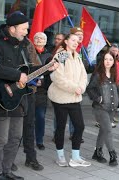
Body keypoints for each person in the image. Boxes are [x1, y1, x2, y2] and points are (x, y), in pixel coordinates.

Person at [0, 11, 58, 179]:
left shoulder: (23, 46)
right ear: (12, 28)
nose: (27, 32)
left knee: (15, 138)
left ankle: (6, 171)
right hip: (1, 98)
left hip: (18, 99)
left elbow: (28, 72)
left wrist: (47, 68)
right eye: (24, 29)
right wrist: (16, 76)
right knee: (1, 139)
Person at [47, 33, 90, 167]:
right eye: (73, 40)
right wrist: (74, 88)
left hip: (74, 97)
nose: (76, 43)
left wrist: (81, 87)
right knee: (60, 127)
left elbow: (84, 76)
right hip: (60, 97)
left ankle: (75, 157)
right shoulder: (62, 55)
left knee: (79, 126)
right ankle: (60, 157)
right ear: (66, 41)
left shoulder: (77, 56)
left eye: (78, 41)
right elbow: (56, 77)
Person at [86, 51, 119, 166]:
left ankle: (97, 153)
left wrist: (117, 102)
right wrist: (98, 98)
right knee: (108, 129)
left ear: (114, 61)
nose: (108, 61)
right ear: (102, 61)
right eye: (106, 59)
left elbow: (114, 90)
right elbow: (90, 89)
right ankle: (113, 155)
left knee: (103, 130)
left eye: (110, 59)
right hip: (100, 108)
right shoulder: (98, 74)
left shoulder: (114, 74)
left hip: (110, 108)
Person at [33, 32, 52, 150]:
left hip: (41, 92)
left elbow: (52, 75)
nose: (39, 40)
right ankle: (24, 139)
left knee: (40, 117)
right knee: (26, 118)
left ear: (45, 42)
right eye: (37, 38)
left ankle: (39, 140)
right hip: (28, 91)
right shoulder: (28, 53)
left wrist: (43, 83)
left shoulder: (50, 56)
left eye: (42, 38)